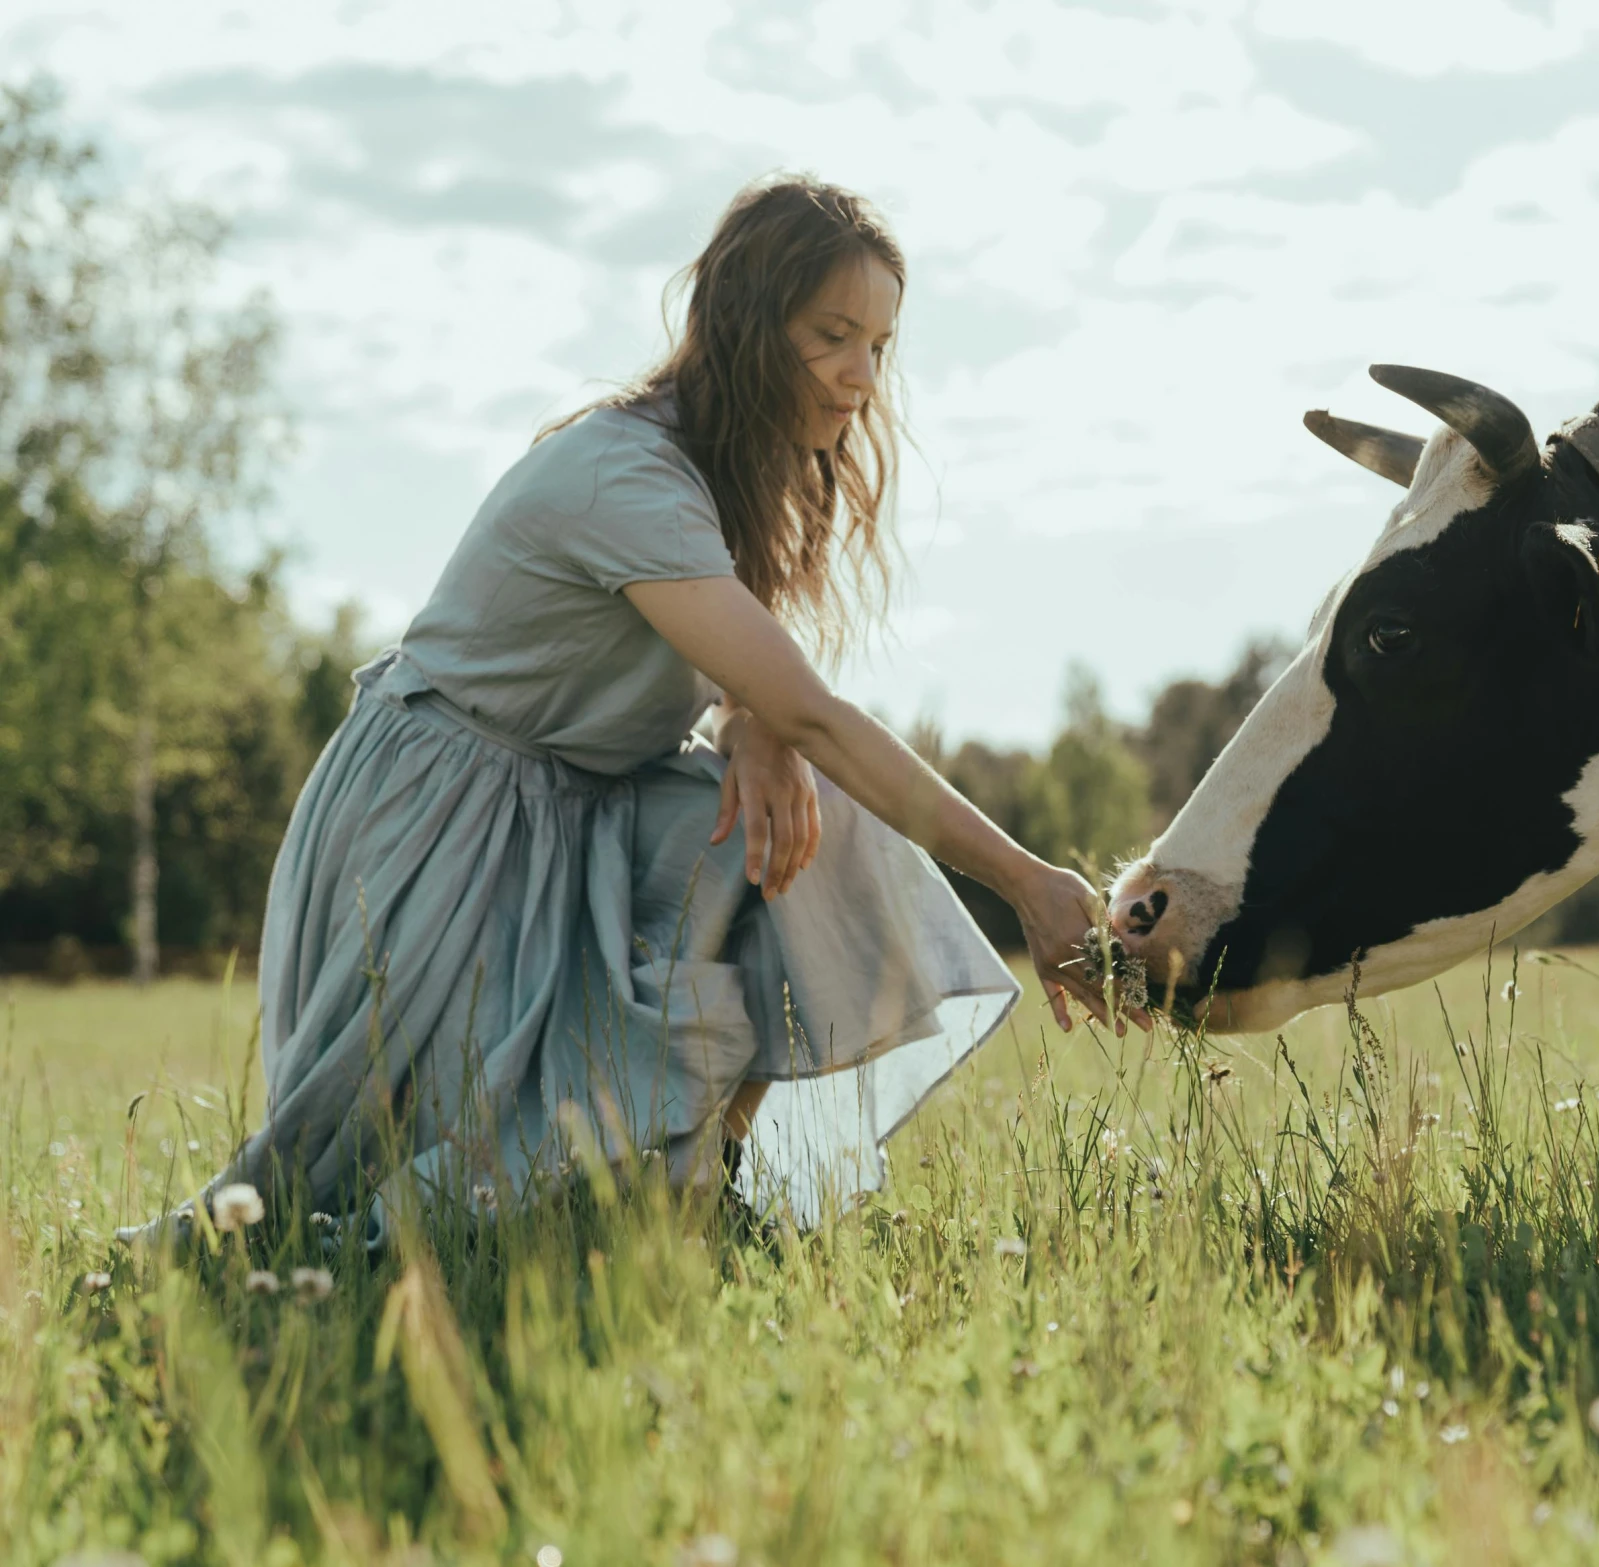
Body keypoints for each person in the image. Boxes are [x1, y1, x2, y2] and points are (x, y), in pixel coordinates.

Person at [143, 176, 1118, 1237]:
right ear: (746, 326)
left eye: (879, 345)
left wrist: (754, 725)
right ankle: (588, 1193)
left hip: (580, 807)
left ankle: (701, 1178)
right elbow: (817, 713)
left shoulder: (734, 477)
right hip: (438, 814)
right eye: (833, 336)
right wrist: (1024, 882)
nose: (860, 378)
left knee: (812, 825)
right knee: (383, 1190)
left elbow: (768, 693)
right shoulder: (626, 475)